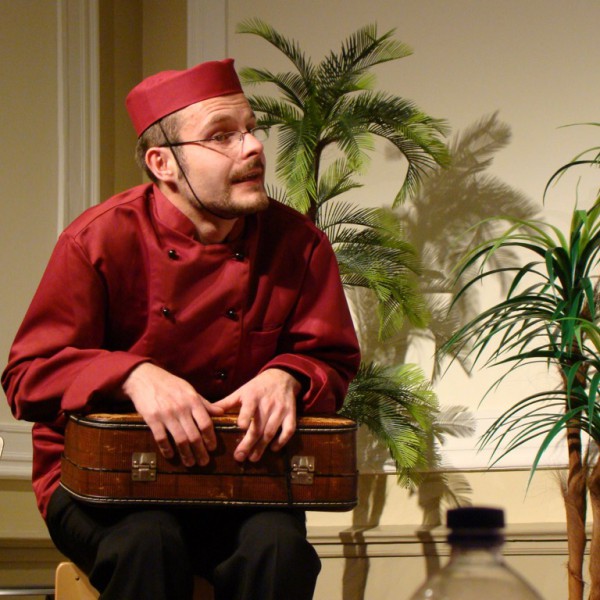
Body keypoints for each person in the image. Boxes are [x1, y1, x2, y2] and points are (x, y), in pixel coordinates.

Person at [2, 59, 360, 599]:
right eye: (222, 135)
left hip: (244, 481)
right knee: (148, 542)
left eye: (250, 129)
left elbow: (330, 360)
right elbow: (26, 377)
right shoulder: (97, 241)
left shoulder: (299, 244)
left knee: (279, 550)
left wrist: (288, 375)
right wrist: (131, 375)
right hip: (104, 483)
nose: (253, 147)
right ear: (163, 162)